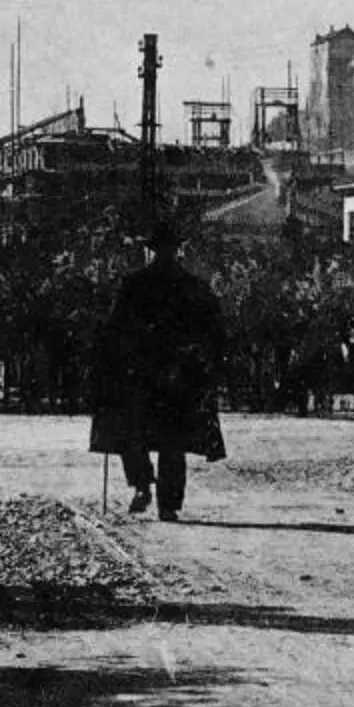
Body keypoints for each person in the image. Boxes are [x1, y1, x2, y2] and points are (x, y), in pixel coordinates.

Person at [88, 217, 227, 522]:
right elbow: (214, 331)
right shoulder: (193, 286)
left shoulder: (134, 285)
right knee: (172, 441)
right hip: (181, 374)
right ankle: (169, 504)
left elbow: (115, 329)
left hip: (141, 372)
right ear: (176, 250)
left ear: (150, 251)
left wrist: (109, 362)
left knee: (131, 433)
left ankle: (141, 484)